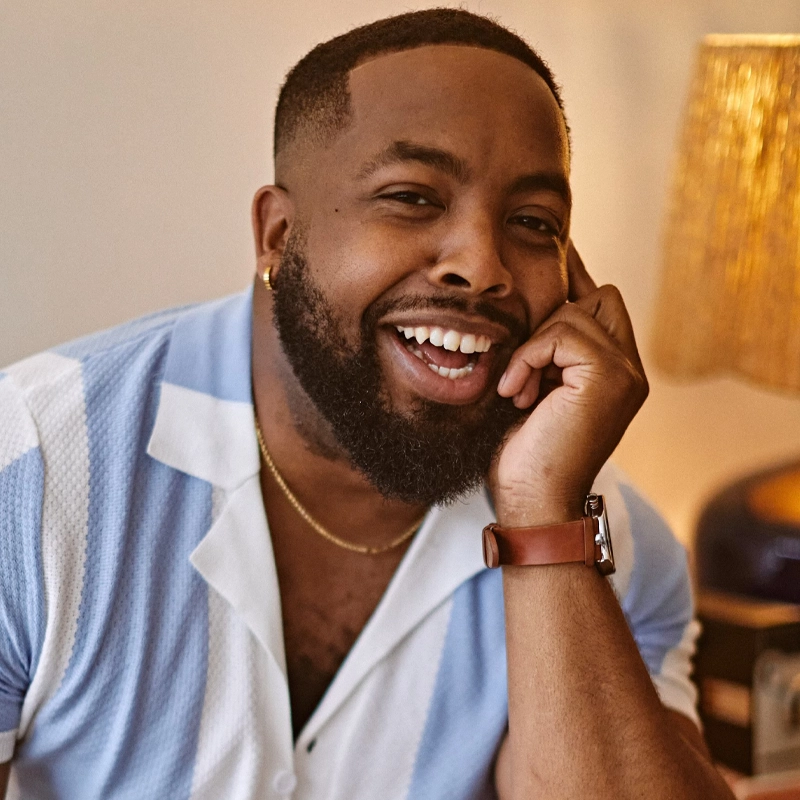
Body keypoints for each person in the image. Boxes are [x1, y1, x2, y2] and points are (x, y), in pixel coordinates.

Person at [0, 8, 734, 799]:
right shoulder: (34, 475)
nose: (482, 266)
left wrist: (544, 524)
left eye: (532, 222)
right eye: (413, 197)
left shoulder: (604, 537)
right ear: (278, 237)